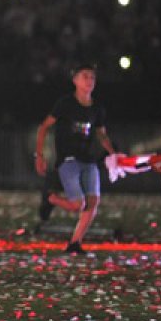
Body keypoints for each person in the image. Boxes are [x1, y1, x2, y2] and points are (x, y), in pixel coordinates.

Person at [34, 63, 117, 255]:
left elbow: (101, 135)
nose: (89, 80)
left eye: (92, 77)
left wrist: (113, 153)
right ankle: (50, 198)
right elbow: (43, 127)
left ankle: (75, 243)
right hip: (68, 160)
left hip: (89, 160)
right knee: (78, 204)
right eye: (85, 76)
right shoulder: (65, 104)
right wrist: (39, 155)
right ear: (75, 80)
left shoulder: (97, 108)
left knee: (93, 203)